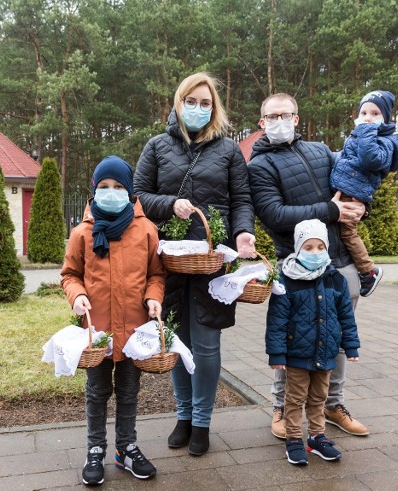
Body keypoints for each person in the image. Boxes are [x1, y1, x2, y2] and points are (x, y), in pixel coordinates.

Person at [134, 72, 256, 457]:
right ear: (178, 102)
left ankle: (202, 421)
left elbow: (242, 200)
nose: (199, 109)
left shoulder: (229, 151)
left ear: (214, 109)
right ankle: (183, 415)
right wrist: (169, 204)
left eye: (206, 104)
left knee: (205, 342)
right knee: (176, 340)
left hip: (211, 259)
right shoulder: (156, 146)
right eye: (192, 101)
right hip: (167, 260)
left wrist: (242, 234)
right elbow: (137, 196)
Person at [247, 92, 369, 440]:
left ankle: (333, 404)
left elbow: (351, 187)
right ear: (262, 123)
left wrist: (361, 206)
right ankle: (282, 408)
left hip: (340, 262)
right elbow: (273, 215)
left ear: (297, 119)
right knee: (294, 336)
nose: (279, 122)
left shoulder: (321, 151)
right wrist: (329, 210)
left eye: (285, 115)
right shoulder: (260, 166)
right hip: (296, 266)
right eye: (271, 117)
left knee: (339, 336)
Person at [60, 155, 166, 486]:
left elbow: (156, 274)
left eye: (118, 186)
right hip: (98, 331)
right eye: (104, 186)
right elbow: (70, 274)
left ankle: (126, 447)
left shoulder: (146, 230)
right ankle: (95, 449)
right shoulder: (83, 233)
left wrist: (154, 297)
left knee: (130, 390)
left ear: (130, 190)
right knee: (97, 391)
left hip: (135, 330)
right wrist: (76, 294)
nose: (111, 192)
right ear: (94, 190)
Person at [267, 219, 360, 465]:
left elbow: (346, 316)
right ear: (298, 249)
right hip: (297, 354)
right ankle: (294, 438)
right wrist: (276, 354)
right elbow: (277, 320)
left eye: (320, 247)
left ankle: (317, 437)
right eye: (308, 248)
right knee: (295, 398)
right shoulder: (286, 280)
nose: (316, 253)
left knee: (319, 397)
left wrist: (351, 345)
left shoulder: (335, 279)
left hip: (326, 353)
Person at [331, 90, 398, 297]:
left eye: (375, 113)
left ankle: (368, 272)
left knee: (348, 233)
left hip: (353, 192)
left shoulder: (388, 140)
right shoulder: (363, 135)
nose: (367, 118)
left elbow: (371, 160)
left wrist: (366, 130)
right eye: (363, 112)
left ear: (386, 118)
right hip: (345, 186)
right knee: (339, 232)